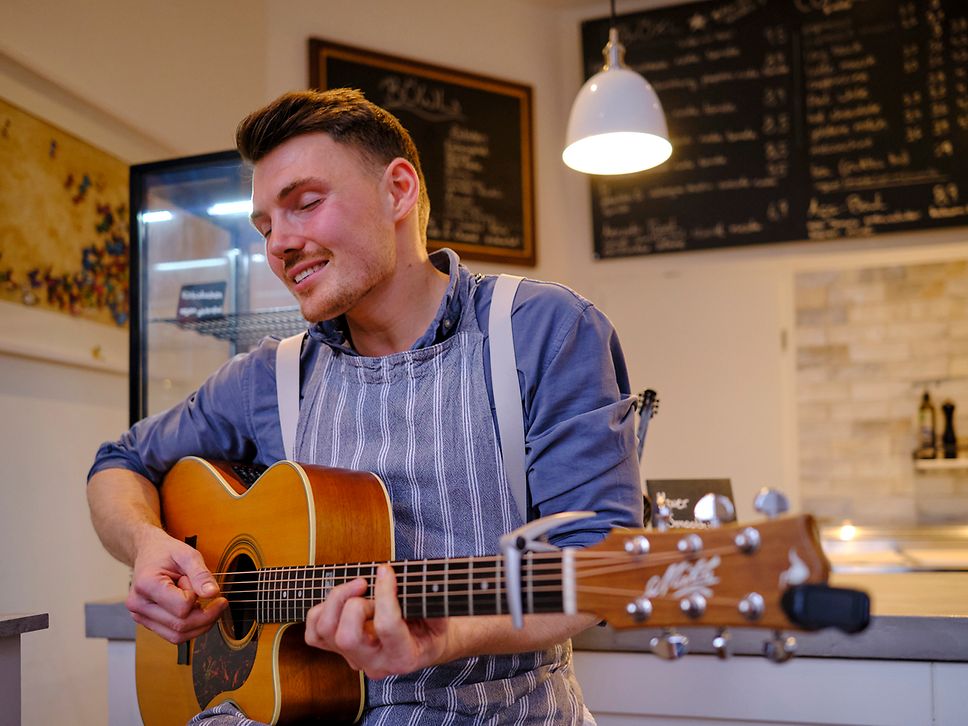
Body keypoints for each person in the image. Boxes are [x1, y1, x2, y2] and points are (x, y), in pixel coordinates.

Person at [87, 88, 643, 725]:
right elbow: (118, 462)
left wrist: (446, 637)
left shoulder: (543, 329)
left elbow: (603, 563)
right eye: (266, 226)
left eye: (305, 205)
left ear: (398, 191)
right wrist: (146, 544)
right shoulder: (270, 375)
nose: (278, 246)